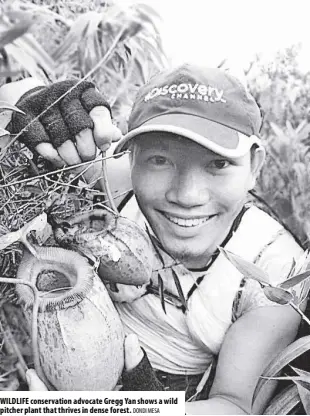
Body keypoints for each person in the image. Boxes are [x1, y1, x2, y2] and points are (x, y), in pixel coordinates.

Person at [0, 64, 307, 415]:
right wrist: (44, 105)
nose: (187, 195)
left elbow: (234, 406)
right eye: (160, 160)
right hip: (57, 360)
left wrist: (125, 409)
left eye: (218, 164)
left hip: (172, 393)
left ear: (254, 165)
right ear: (131, 161)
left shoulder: (274, 269)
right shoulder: (120, 185)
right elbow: (13, 98)